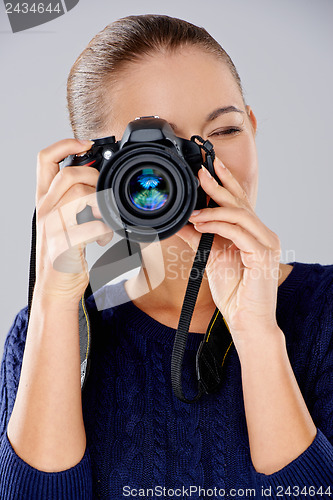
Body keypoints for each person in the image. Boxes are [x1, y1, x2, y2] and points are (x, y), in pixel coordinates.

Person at [0, 14, 332, 500]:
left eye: (223, 131)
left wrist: (257, 333)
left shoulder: (325, 313)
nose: (202, 168)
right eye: (162, 150)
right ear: (93, 168)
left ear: (253, 128)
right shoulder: (46, 333)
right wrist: (55, 299)